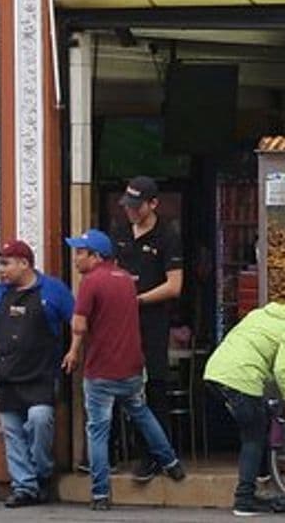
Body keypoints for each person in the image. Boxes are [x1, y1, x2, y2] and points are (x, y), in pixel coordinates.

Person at [62, 229, 186, 511]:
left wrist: (73, 350)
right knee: (142, 414)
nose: (76, 259)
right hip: (131, 366)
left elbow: (79, 325)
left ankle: (101, 493)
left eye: (80, 253)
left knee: (98, 430)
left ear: (96, 256)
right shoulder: (127, 281)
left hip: (101, 369)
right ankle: (170, 461)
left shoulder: (90, 283)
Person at [203, 288, 285, 516]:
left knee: (260, 417)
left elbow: (258, 351)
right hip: (241, 379)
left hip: (216, 372)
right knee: (253, 437)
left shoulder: (264, 314)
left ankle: (262, 473)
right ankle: (244, 500)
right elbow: (283, 369)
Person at [0, 240, 74, 508]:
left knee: (40, 420)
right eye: (0, 263)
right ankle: (24, 487)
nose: (1, 270)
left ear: (24, 264)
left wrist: (75, 351)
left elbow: (78, 322)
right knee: (13, 433)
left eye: (6, 263)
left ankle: (41, 473)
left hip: (41, 375)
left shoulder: (54, 290)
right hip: (7, 376)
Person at [110, 176, 183, 482]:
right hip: (123, 322)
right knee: (117, 385)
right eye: (128, 206)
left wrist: (137, 299)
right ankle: (114, 450)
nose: (131, 212)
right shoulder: (120, 232)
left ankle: (155, 454)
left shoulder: (168, 235)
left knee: (155, 386)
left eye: (137, 207)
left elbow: (174, 285)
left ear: (153, 204)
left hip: (152, 319)